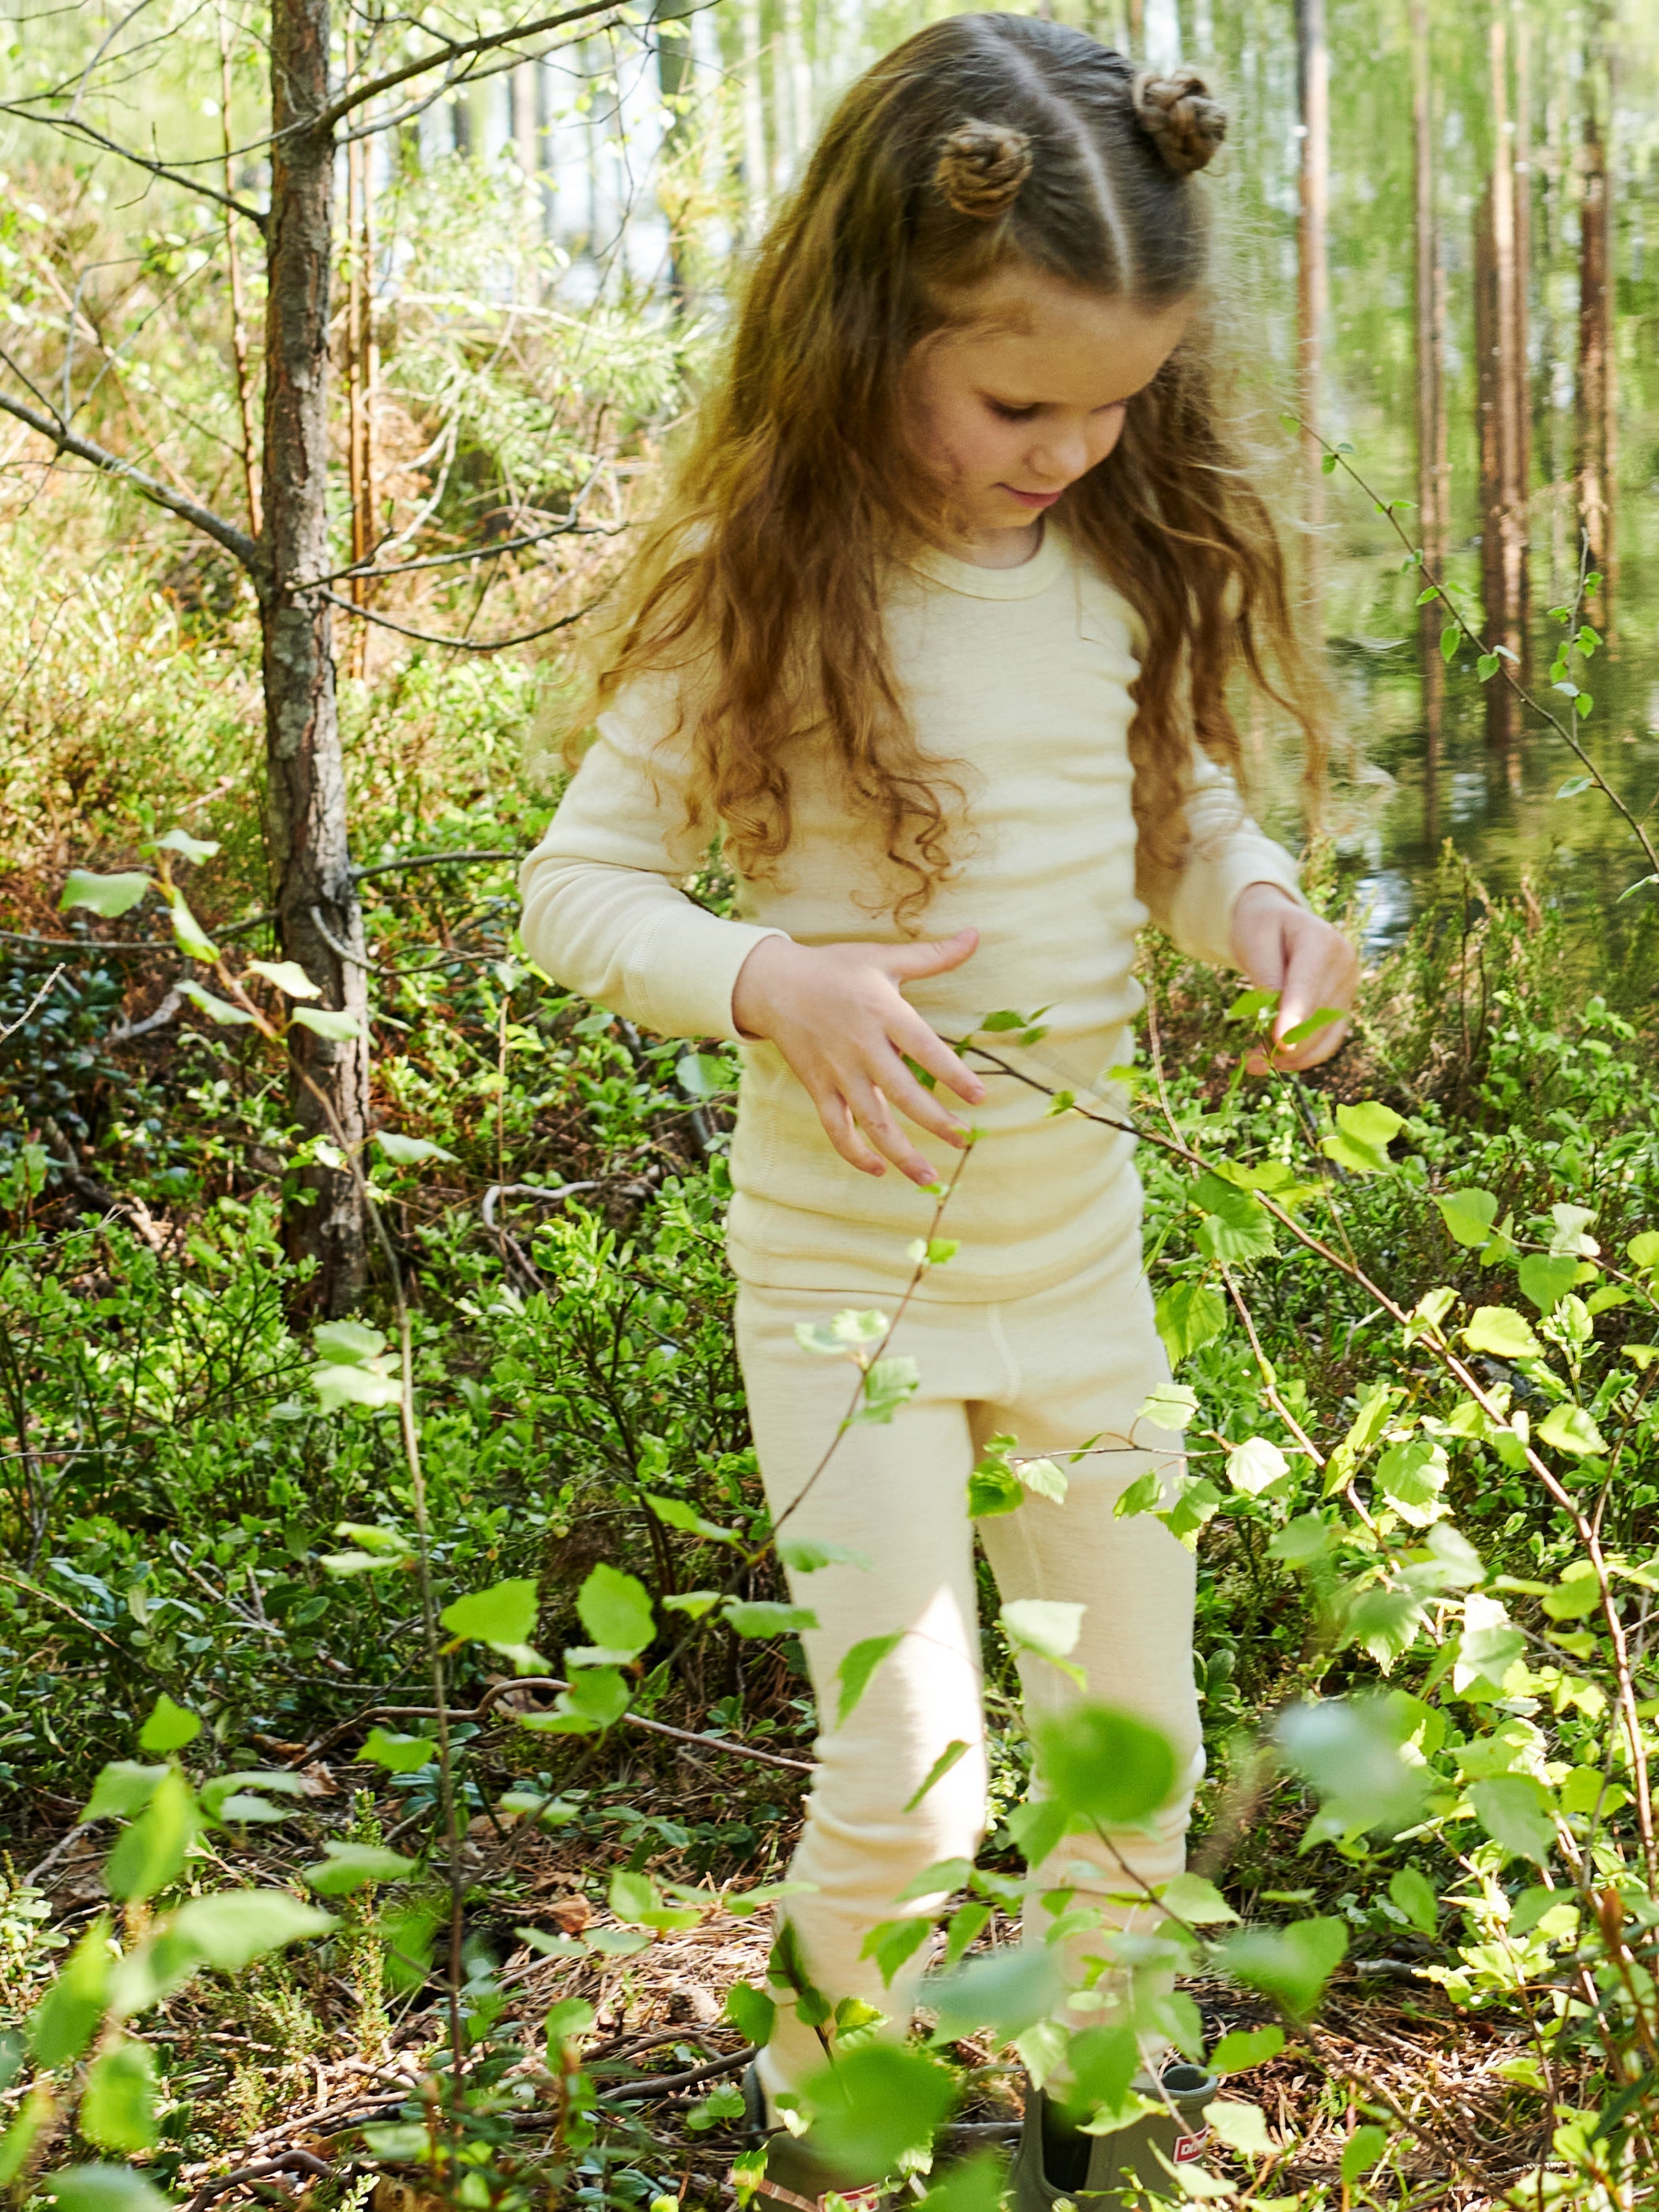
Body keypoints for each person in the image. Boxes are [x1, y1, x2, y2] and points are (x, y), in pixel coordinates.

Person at [518, 14, 1358, 2206]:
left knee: (1129, 1763)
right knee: (906, 1785)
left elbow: (1174, 812)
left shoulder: (1109, 560)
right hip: (842, 1293)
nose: (1073, 447)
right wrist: (763, 976)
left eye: (1117, 401)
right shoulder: (756, 582)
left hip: (1078, 1285)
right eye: (1019, 400)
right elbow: (575, 893)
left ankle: (1101, 2118)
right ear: (870, 322)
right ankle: (830, 2150)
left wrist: (1253, 900)